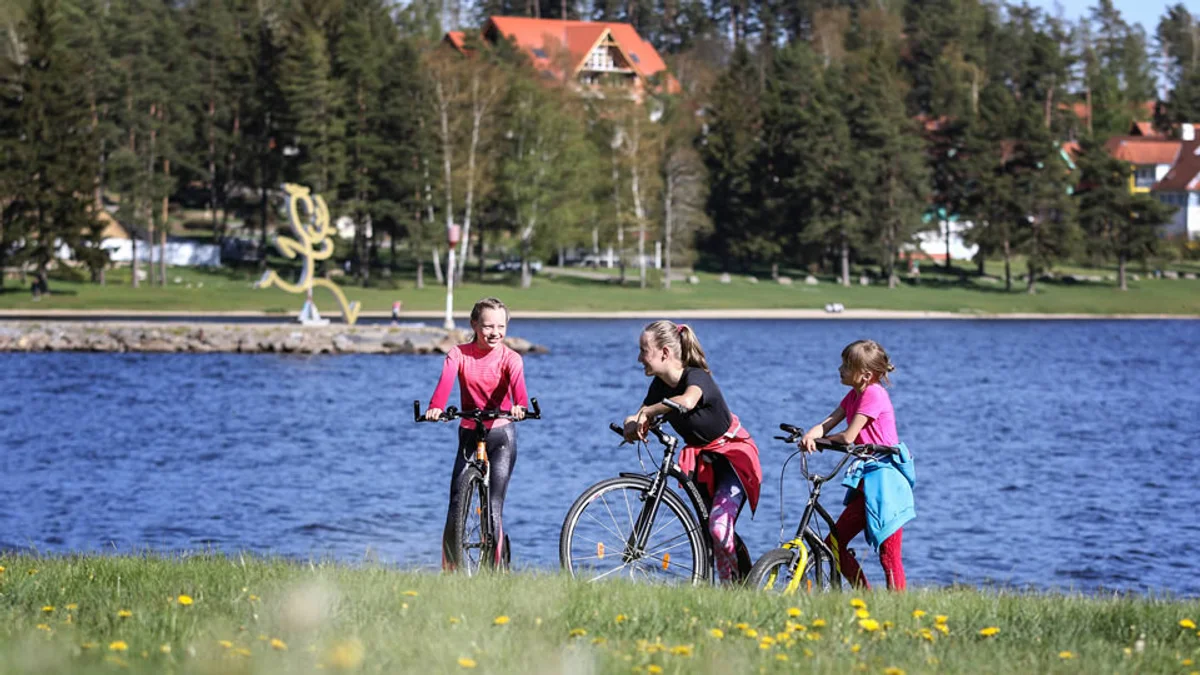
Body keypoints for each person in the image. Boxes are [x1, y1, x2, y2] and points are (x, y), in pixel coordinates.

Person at [623, 320, 762, 583]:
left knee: (719, 529)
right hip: (702, 462)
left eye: (644, 350)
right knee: (710, 532)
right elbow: (639, 412)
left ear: (665, 352)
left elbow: (687, 402)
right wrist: (632, 423)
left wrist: (649, 413)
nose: (639, 358)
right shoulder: (659, 386)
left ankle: (737, 587)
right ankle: (735, 586)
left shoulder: (696, 376)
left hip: (733, 460)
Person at [799, 339, 915, 591]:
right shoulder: (854, 395)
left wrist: (821, 441)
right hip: (867, 482)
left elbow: (849, 436)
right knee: (833, 544)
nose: (839, 369)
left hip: (886, 482)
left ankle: (899, 608)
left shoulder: (873, 394)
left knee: (889, 554)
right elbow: (828, 422)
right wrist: (810, 435)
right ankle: (865, 595)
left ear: (865, 375)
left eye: (846, 365)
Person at [425, 297, 529, 570]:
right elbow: (445, 383)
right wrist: (436, 408)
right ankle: (451, 573)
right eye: (487, 326)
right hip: (470, 432)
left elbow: (519, 390)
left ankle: (494, 569)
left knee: (493, 504)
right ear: (474, 324)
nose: (495, 332)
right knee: (457, 500)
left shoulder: (511, 359)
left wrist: (519, 406)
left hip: (501, 435)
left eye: (501, 326)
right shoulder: (458, 354)